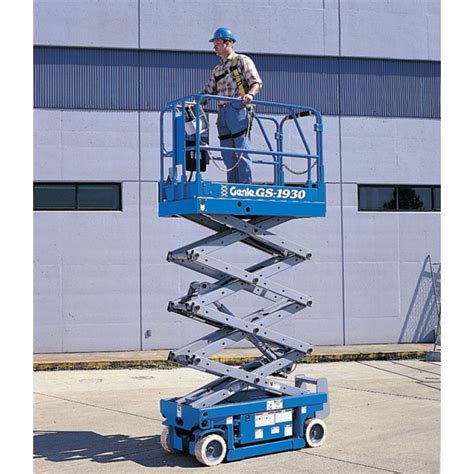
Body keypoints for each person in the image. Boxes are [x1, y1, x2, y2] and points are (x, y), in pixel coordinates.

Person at [201, 27, 263, 184]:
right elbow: (207, 92)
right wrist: (193, 103)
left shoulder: (242, 61)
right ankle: (233, 187)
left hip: (238, 110)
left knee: (242, 152)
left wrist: (250, 95)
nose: (214, 46)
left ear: (228, 43)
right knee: (228, 155)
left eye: (217, 42)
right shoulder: (217, 70)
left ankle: (245, 188)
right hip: (222, 114)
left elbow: (256, 82)